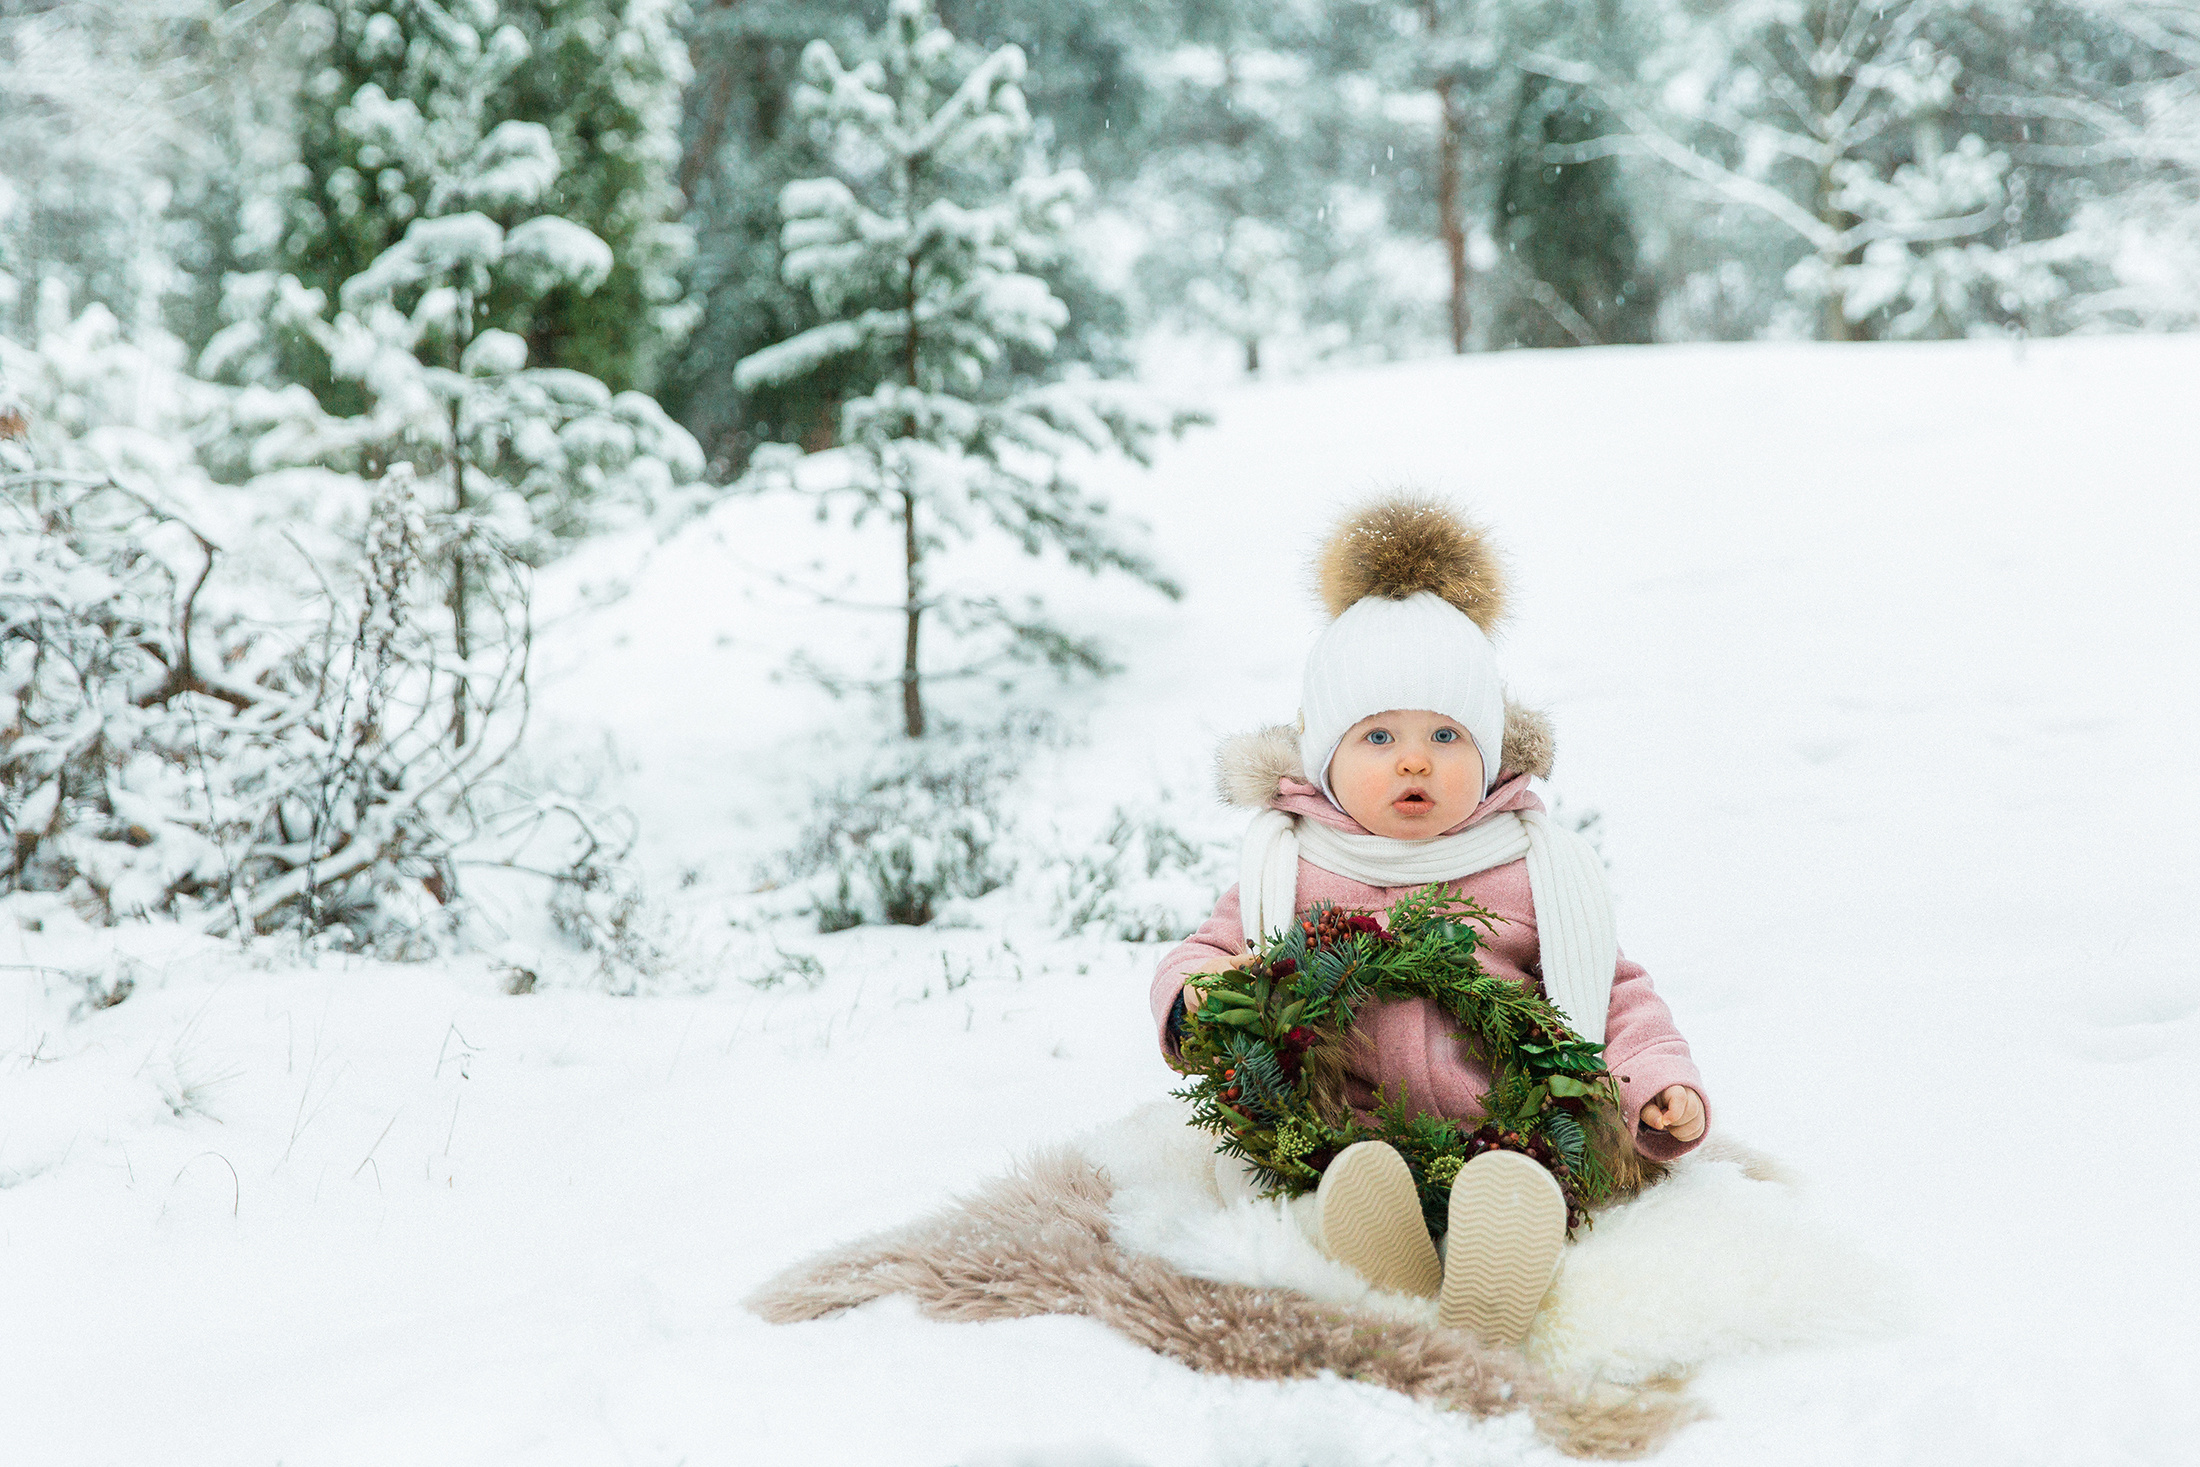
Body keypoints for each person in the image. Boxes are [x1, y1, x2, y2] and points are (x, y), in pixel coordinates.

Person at [1150, 495, 1709, 1348]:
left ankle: (1503, 1230)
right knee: (1347, 1169)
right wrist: (1196, 1000)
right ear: (1325, 758)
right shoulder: (1291, 866)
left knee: (1516, 1169)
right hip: (1349, 1123)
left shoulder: (1527, 866)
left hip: (1506, 1120)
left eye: (1446, 734)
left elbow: (1614, 990)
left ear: (1486, 757)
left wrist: (1657, 1080)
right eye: (1378, 736)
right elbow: (1208, 952)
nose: (1415, 758)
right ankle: (1383, 1241)